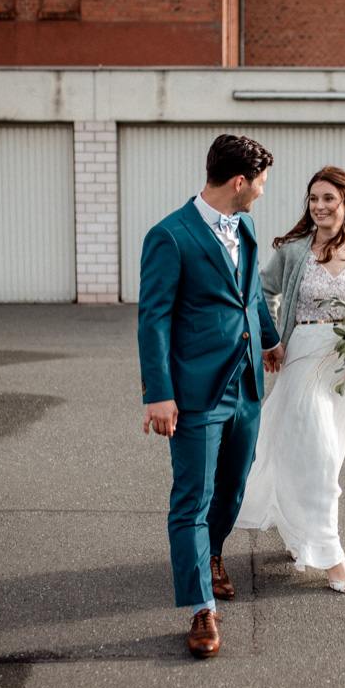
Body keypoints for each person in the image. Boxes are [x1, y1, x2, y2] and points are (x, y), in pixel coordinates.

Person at [138, 134, 285, 659]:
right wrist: (159, 393)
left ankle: (213, 552)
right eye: (261, 183)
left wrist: (268, 339)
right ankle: (202, 607)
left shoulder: (243, 224)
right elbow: (152, 318)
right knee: (191, 500)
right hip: (195, 391)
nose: (264, 193)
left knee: (233, 484)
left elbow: (247, 295)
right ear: (239, 182)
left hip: (245, 382)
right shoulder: (169, 236)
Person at [235, 166, 345, 594]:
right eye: (314, 199)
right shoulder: (294, 251)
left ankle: (300, 531)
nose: (319, 207)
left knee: (325, 458)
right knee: (320, 459)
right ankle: (330, 556)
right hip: (302, 357)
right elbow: (260, 292)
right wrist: (269, 341)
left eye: (328, 199)